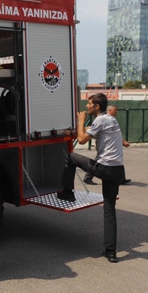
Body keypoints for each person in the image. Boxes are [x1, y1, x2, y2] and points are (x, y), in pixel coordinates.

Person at [57, 93, 127, 263]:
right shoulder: (110, 119)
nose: (86, 107)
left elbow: (81, 140)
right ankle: (111, 252)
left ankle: (67, 192)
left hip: (104, 168)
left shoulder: (100, 120)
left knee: (71, 157)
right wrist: (73, 131)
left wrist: (80, 120)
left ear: (97, 106)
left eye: (89, 104)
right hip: (118, 170)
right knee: (109, 210)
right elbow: (89, 133)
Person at [83, 104, 132, 185]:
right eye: (115, 110)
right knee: (100, 161)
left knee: (117, 159)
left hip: (110, 147)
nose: (117, 112)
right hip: (106, 147)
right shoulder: (104, 119)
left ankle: (121, 178)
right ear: (109, 111)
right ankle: (87, 177)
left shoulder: (111, 119)